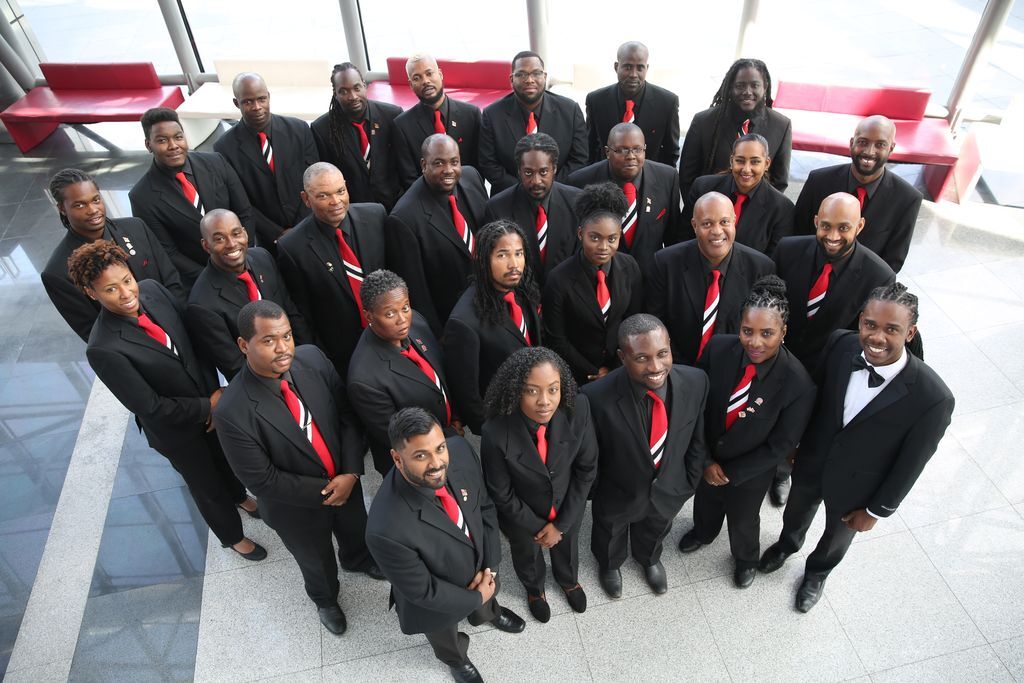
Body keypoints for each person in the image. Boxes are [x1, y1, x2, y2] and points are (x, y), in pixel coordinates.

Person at [758, 283, 954, 613]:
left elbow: (911, 465)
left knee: (838, 535)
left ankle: (817, 573)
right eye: (871, 325)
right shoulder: (840, 344)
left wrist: (878, 511)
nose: (877, 337)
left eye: (892, 329)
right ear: (861, 320)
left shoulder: (933, 398)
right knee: (795, 512)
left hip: (860, 486)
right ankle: (786, 545)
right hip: (812, 460)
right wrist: (796, 445)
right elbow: (814, 397)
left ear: (910, 333)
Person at [67, 240, 265, 562]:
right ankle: (232, 537)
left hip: (208, 399)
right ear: (93, 293)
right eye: (111, 290)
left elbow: (193, 344)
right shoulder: (103, 347)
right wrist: (208, 406)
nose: (127, 293)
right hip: (176, 431)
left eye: (127, 281)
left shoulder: (153, 291)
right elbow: (149, 406)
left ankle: (240, 496)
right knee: (206, 485)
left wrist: (213, 394)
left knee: (224, 457)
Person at [215, 300, 384, 635]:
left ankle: (357, 559)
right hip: (295, 507)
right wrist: (329, 490)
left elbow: (347, 416)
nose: (283, 348)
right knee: (316, 562)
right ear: (244, 345)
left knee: (355, 531)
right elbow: (261, 479)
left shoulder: (313, 359)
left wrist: (350, 474)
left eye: (287, 336)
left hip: (344, 480)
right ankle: (325, 599)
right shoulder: (232, 411)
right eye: (269, 340)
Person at [366, 407, 526, 683]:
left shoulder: (460, 451)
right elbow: (424, 592)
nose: (437, 462)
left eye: (439, 448)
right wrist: (476, 596)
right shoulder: (385, 528)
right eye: (420, 455)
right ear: (396, 458)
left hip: (478, 567)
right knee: (444, 634)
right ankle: (456, 659)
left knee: (488, 598)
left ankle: (488, 613)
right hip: (434, 599)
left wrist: (490, 565)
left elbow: (485, 508)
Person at [678, 276, 816, 589]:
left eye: (767, 333)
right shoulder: (717, 349)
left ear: (783, 332)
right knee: (706, 502)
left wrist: (729, 471)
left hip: (750, 472)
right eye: (747, 331)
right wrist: (705, 459)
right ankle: (704, 532)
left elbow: (780, 446)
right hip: (708, 456)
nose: (755, 342)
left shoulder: (798, 383)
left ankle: (745, 558)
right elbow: (696, 403)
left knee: (743, 519)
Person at [767, 193, 895, 507]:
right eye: (825, 226)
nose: (833, 236)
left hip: (827, 367)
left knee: (804, 427)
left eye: (843, 227)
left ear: (860, 226)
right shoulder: (788, 249)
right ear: (815, 222)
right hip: (778, 357)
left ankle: (782, 473)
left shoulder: (879, 276)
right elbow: (771, 300)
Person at [582, 314, 708, 597]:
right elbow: (592, 455)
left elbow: (697, 436)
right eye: (641, 358)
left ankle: (648, 558)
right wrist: (599, 492)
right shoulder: (594, 397)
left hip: (671, 485)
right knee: (610, 532)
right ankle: (610, 563)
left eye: (662, 354)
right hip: (617, 491)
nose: (655, 367)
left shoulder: (696, 381)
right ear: (622, 356)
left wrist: (690, 479)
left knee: (657, 527)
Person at [480, 347, 597, 622]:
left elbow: (586, 469)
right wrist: (538, 528)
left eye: (553, 389)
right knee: (527, 554)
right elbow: (501, 493)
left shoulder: (578, 408)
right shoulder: (495, 431)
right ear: (515, 391)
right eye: (532, 391)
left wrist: (560, 526)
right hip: (522, 516)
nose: (544, 401)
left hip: (568, 503)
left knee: (567, 546)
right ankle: (535, 590)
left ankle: (568, 580)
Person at [42, 168, 183, 342]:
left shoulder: (136, 227)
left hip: (178, 327)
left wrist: (179, 326)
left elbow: (172, 281)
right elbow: (92, 331)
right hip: (137, 349)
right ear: (62, 208)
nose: (93, 210)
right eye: (80, 205)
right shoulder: (57, 272)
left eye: (96, 200)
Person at [276, 162, 386, 376]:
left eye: (340, 191)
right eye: (323, 196)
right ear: (306, 199)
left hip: (391, 331)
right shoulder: (292, 248)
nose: (336, 202)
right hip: (345, 354)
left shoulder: (376, 216)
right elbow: (302, 313)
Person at [347, 269, 461, 476]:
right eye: (390, 313)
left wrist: (456, 417)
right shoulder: (364, 379)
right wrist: (448, 436)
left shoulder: (415, 321)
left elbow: (440, 373)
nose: (402, 319)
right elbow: (401, 436)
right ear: (368, 316)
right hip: (416, 465)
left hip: (449, 434)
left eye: (405, 307)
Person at [646, 192, 775, 366]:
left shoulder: (761, 268)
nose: (717, 231)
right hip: (677, 367)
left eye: (724, 222)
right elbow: (656, 324)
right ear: (694, 225)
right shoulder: (665, 263)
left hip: (735, 368)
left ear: (734, 221)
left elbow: (761, 332)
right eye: (707, 223)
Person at [129, 107, 254, 284]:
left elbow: (245, 212)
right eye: (162, 140)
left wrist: (242, 256)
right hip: (203, 277)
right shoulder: (142, 197)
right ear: (149, 145)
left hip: (244, 259)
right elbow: (168, 252)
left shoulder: (216, 162)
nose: (173, 146)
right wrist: (213, 275)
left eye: (178, 137)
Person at [186, 209, 310, 379]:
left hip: (300, 365)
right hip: (265, 383)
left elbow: (292, 313)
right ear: (206, 245)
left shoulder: (263, 258)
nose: (231, 243)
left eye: (236, 233)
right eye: (219, 239)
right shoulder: (202, 304)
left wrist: (306, 362)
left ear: (244, 233)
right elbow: (235, 366)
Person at [443, 220, 541, 434]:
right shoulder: (463, 323)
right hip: (505, 422)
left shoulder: (522, 288)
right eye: (502, 255)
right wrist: (492, 432)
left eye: (519, 253)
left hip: (538, 404)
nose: (514, 264)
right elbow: (467, 394)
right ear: (482, 259)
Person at [386, 134, 489, 337]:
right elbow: (418, 292)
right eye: (439, 163)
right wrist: (439, 336)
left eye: (454, 162)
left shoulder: (472, 177)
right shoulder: (404, 218)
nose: (449, 170)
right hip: (454, 318)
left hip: (491, 303)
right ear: (424, 165)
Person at [542, 182, 643, 386]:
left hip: (621, 369)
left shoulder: (629, 267)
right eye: (595, 238)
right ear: (581, 234)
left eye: (612, 239)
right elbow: (557, 339)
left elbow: (634, 320)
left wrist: (615, 366)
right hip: (576, 375)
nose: (604, 247)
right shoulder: (559, 279)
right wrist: (593, 371)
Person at [793, 115, 923, 272]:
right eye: (863, 142)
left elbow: (893, 261)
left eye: (880, 145)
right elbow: (797, 233)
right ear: (851, 143)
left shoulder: (907, 199)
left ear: (891, 148)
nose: (869, 152)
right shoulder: (818, 181)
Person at [214, 72, 319, 251]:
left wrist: (301, 225)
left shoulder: (299, 129)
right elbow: (241, 200)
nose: (257, 107)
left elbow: (315, 179)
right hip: (270, 240)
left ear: (268, 97)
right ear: (236, 103)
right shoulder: (224, 148)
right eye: (248, 102)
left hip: (311, 224)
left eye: (261, 99)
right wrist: (276, 233)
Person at [567, 123, 682, 272]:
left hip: (652, 278)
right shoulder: (581, 181)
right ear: (608, 152)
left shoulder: (667, 177)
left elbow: (673, 236)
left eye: (637, 149)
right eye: (622, 150)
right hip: (602, 278)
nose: (631, 156)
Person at [678, 59, 791, 199]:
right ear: (731, 87)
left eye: (755, 85)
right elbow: (687, 176)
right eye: (740, 85)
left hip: (756, 214)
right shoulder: (704, 121)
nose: (747, 92)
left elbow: (779, 182)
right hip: (709, 212)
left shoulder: (781, 125)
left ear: (765, 86)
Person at [479, 51, 588, 194]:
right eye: (521, 74)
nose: (529, 79)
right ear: (511, 79)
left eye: (536, 73)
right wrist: (523, 189)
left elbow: (580, 159)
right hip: (511, 196)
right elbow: (488, 164)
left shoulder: (570, 110)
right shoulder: (492, 115)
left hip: (560, 194)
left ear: (545, 77)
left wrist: (548, 188)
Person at [483, 133, 582, 285]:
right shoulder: (497, 208)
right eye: (528, 172)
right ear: (519, 171)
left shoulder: (576, 201)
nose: (536, 181)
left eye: (543, 172)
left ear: (554, 169)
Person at [681, 133, 793, 255]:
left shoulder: (782, 208)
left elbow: (773, 260)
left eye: (755, 162)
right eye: (740, 161)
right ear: (731, 161)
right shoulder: (703, 188)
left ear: (766, 164)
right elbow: (683, 238)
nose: (746, 169)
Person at [311, 62, 402, 210]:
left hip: (396, 205)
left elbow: (405, 164)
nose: (353, 96)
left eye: (356, 88)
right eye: (344, 91)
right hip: (354, 211)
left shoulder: (392, 116)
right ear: (335, 93)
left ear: (364, 86)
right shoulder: (321, 129)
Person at [393, 54, 482, 191]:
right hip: (428, 202)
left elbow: (480, 167)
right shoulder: (402, 126)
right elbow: (409, 178)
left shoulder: (471, 115)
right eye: (417, 78)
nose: (425, 81)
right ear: (411, 85)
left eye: (429, 73)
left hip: (468, 194)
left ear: (440, 74)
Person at [584, 41, 681, 166]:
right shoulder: (596, 101)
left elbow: (671, 152)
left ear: (647, 68)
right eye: (628, 67)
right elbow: (589, 148)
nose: (634, 75)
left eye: (640, 68)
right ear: (616, 67)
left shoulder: (667, 102)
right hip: (606, 180)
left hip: (650, 180)